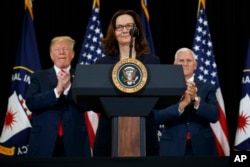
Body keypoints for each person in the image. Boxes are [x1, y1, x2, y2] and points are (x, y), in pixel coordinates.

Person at [93, 9, 160, 156]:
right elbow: (91, 101)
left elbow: (159, 98)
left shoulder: (151, 62)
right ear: (113, 32)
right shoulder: (102, 64)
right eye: (119, 27)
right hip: (109, 134)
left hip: (144, 134)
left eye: (129, 26)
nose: (124, 30)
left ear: (137, 30)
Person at [25, 36, 91, 157]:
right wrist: (57, 91)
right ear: (51, 55)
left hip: (75, 142)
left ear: (72, 54)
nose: (61, 52)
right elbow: (31, 102)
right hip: (44, 141)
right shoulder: (39, 77)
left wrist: (68, 89)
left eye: (65, 48)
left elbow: (88, 104)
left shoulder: (82, 76)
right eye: (57, 49)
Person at [154, 47, 219, 156]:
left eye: (189, 60)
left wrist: (196, 99)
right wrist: (182, 105)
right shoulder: (164, 87)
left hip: (202, 148)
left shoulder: (208, 87)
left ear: (195, 64)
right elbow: (158, 117)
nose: (185, 64)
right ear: (175, 64)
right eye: (181, 61)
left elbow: (214, 116)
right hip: (172, 147)